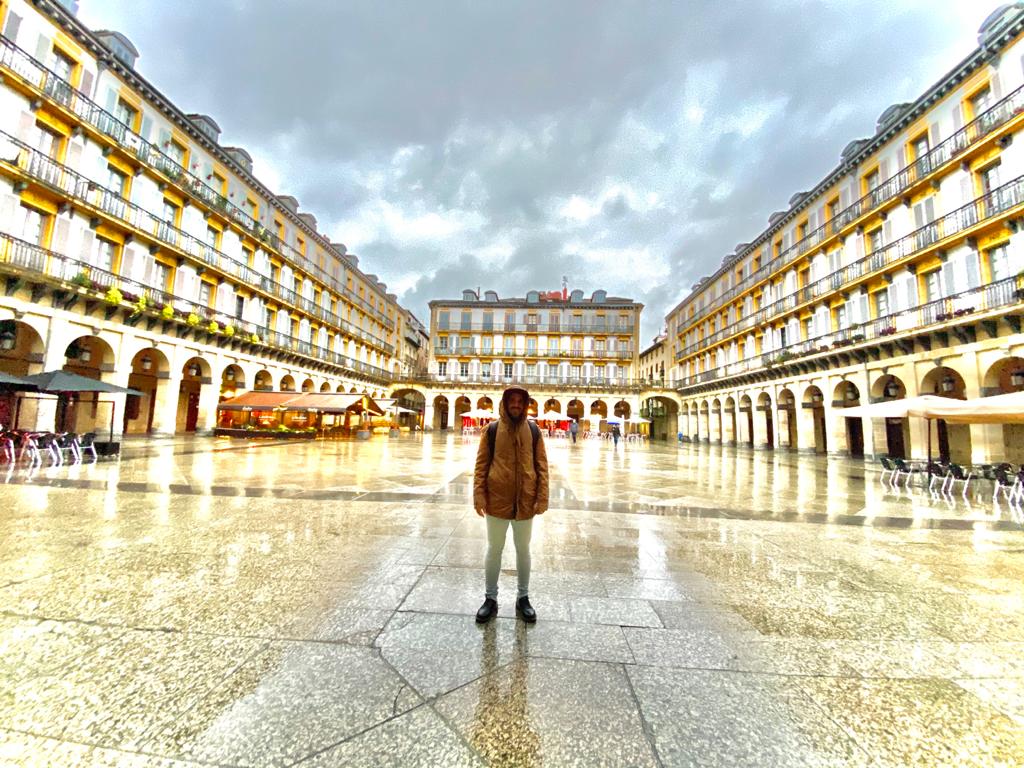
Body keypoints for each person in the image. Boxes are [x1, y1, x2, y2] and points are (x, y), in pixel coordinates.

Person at [473, 385, 549, 624]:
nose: (516, 405)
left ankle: (523, 598)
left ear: (525, 405)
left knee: (523, 550)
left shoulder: (535, 431)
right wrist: (479, 494)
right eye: (512, 401)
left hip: (526, 499)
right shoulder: (492, 430)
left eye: (520, 401)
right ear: (505, 404)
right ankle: (490, 599)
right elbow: (481, 466)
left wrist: (542, 496)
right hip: (497, 498)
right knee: (494, 549)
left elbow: (542, 467)